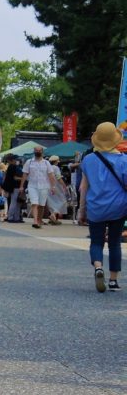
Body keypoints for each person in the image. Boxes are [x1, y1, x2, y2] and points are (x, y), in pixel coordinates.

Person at [77, 122, 127, 293]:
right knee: (114, 243)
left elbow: (83, 187)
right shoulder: (124, 160)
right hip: (118, 207)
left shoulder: (88, 160)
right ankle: (113, 281)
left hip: (96, 206)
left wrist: (81, 210)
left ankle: (98, 267)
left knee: (96, 241)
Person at [24, 146, 57, 229]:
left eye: (39, 150)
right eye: (36, 150)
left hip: (44, 186)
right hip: (32, 185)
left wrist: (53, 186)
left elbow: (51, 175)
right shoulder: (29, 162)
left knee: (42, 205)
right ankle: (35, 221)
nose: (38, 151)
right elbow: (25, 174)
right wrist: (21, 186)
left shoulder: (46, 163)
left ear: (42, 152)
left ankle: (39, 220)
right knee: (34, 203)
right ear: (34, 151)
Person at [3, 156, 24, 222]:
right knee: (14, 202)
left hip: (15, 187)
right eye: (15, 159)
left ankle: (16, 217)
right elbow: (14, 177)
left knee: (17, 202)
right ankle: (11, 217)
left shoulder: (13, 167)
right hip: (15, 186)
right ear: (12, 160)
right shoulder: (13, 167)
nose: (16, 161)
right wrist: (23, 179)